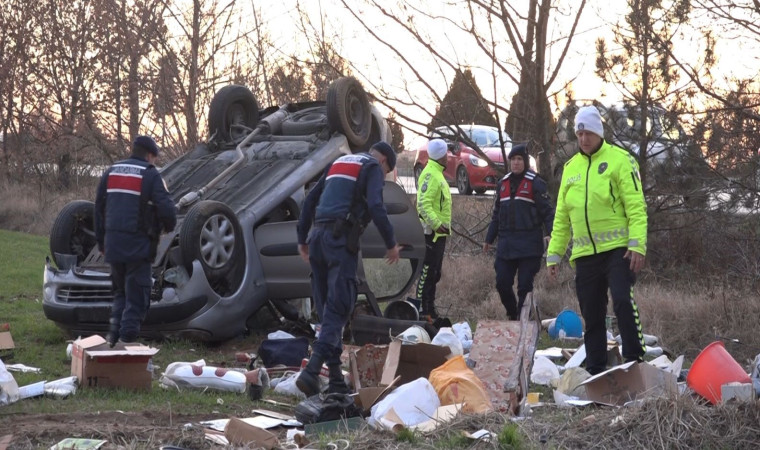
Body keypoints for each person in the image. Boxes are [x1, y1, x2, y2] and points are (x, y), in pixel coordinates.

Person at [546, 105, 648, 375]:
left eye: (588, 132)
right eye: (579, 134)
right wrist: (554, 254)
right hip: (584, 254)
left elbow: (636, 206)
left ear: (598, 132)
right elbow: (562, 216)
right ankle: (596, 372)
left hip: (618, 250)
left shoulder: (620, 160)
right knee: (592, 314)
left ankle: (635, 361)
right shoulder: (570, 168)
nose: (583, 138)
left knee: (622, 301)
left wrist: (637, 243)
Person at [295, 141, 402, 396]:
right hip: (339, 242)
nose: (383, 177)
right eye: (387, 174)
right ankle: (312, 371)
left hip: (318, 238)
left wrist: (302, 238)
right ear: (385, 162)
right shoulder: (373, 168)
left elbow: (310, 200)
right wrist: (391, 243)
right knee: (340, 306)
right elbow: (376, 206)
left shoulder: (340, 162)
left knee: (327, 312)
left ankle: (334, 381)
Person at [95, 136, 177, 347]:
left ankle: (112, 341)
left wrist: (101, 243)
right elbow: (167, 211)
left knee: (120, 295)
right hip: (138, 248)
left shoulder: (112, 171)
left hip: (113, 246)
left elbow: (98, 209)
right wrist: (168, 227)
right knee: (137, 299)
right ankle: (126, 344)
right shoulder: (150, 175)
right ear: (150, 155)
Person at [483, 143, 554, 320]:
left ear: (525, 162)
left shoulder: (536, 183)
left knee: (524, 286)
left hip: (529, 244)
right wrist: (489, 238)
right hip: (506, 244)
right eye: (513, 159)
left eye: (519, 159)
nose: (516, 163)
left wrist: (550, 233)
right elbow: (496, 215)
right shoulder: (503, 184)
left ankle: (523, 322)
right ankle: (512, 315)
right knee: (502, 283)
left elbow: (548, 212)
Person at [414, 138, 452, 319]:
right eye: (446, 153)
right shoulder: (430, 175)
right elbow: (422, 204)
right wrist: (437, 224)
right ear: (442, 155)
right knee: (427, 273)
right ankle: (421, 309)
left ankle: (430, 308)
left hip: (439, 235)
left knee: (435, 274)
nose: (448, 156)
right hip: (430, 234)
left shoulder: (438, 174)